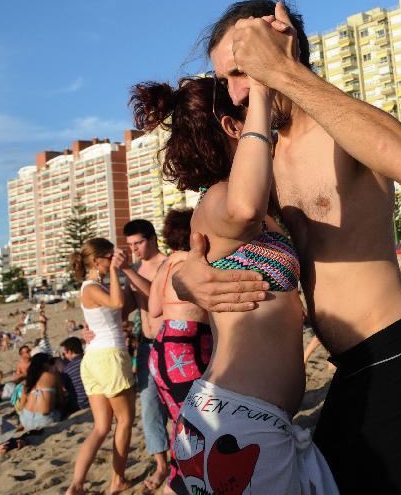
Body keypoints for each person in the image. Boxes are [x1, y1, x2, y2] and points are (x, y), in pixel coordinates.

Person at [170, 0, 401, 493]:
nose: (238, 93)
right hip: (351, 367)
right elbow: (217, 230)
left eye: (242, 71)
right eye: (228, 81)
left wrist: (281, 69)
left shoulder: (342, 123)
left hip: (399, 351)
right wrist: (185, 277)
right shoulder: (263, 151)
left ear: (284, 44)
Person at [132, 75, 337, 494]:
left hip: (244, 418)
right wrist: (259, 94)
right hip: (240, 423)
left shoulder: (255, 209)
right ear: (232, 127)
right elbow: (243, 207)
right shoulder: (216, 201)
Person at [147, 207, 213, 492]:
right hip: (186, 348)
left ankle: (176, 482)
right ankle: (182, 482)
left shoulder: (167, 264)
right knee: (201, 424)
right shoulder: (197, 261)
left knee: (182, 423)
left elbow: (153, 309)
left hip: (163, 348)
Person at [66, 238, 136, 495]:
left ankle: (77, 484)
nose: (112, 260)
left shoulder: (93, 287)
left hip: (94, 358)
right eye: (109, 257)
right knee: (125, 420)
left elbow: (118, 308)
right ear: (97, 261)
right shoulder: (91, 287)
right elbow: (118, 304)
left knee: (101, 427)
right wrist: (118, 271)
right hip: (108, 358)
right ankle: (117, 481)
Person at [122, 218, 170, 492]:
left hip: (170, 343)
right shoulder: (135, 269)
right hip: (145, 344)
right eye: (130, 245)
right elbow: (126, 308)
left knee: (177, 402)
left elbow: (157, 298)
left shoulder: (168, 263)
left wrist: (128, 270)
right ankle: (161, 464)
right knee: (150, 405)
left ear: (152, 238)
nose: (134, 249)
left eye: (138, 243)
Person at [18, 352, 63, 431]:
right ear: (44, 364)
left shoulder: (29, 379)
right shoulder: (53, 375)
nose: (52, 365)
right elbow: (61, 399)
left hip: (24, 418)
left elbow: (21, 404)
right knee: (60, 411)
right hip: (43, 421)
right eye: (51, 362)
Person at [59, 337, 89, 415]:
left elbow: (66, 389)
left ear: (69, 351)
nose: (64, 356)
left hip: (82, 404)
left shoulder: (67, 370)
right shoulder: (90, 360)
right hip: (99, 398)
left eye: (64, 354)